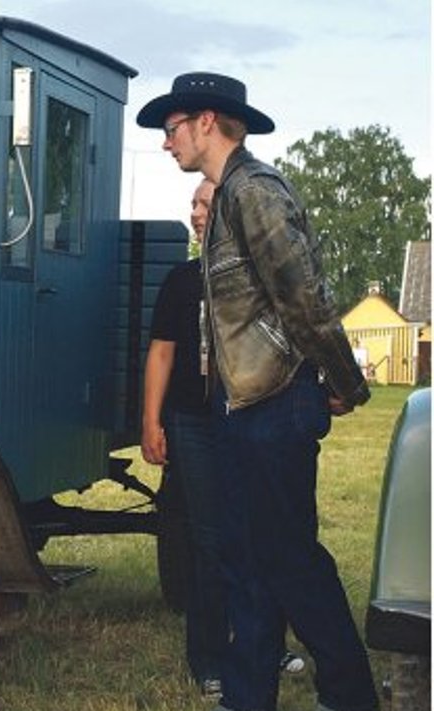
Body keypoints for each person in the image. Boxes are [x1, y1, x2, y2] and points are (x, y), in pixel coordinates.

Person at [136, 73, 377, 711]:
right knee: (247, 560)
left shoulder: (257, 193)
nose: (166, 144)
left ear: (206, 122)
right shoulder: (228, 200)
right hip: (241, 409)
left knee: (290, 559)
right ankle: (247, 696)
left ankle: (350, 693)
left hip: (276, 407)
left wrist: (343, 383)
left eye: (171, 129)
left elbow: (303, 298)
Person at [142, 177, 226, 696]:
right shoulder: (181, 281)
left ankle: (264, 641)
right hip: (193, 423)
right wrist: (152, 421)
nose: (195, 213)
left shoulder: (258, 279)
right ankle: (210, 658)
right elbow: (162, 353)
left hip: (248, 421)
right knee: (209, 539)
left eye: (206, 203)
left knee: (256, 532)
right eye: (193, 204)